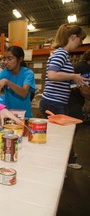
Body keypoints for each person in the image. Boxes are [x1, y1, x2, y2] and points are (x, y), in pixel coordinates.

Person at [39, 24, 87, 169]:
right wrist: (73, 75)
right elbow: (52, 75)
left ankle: (57, 165)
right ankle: (56, 166)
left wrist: (74, 81)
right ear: (73, 37)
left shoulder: (60, 54)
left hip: (56, 101)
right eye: (80, 40)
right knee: (60, 138)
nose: (80, 44)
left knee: (58, 136)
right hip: (54, 102)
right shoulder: (61, 54)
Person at [0, 46, 36, 118]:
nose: (6, 62)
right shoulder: (5, 72)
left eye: (10, 59)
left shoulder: (28, 73)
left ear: (20, 59)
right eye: (5, 59)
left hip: (24, 116)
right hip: (9, 116)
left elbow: (24, 93)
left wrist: (7, 82)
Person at [68, 49, 90, 120]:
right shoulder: (85, 68)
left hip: (70, 102)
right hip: (72, 103)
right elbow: (85, 91)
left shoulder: (80, 65)